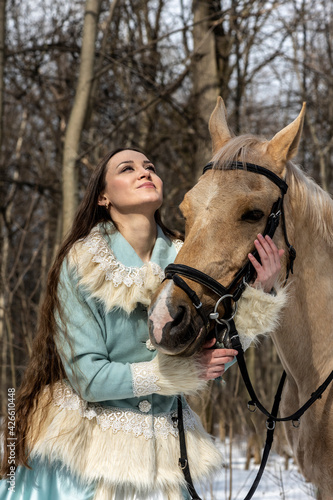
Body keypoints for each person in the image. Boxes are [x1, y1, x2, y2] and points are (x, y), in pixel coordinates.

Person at [0, 148, 286, 500]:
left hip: (166, 461)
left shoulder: (189, 260)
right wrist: (171, 375)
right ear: (103, 197)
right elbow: (87, 378)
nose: (144, 172)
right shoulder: (82, 262)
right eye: (127, 168)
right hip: (85, 459)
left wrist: (261, 290)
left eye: (150, 166)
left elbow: (213, 354)